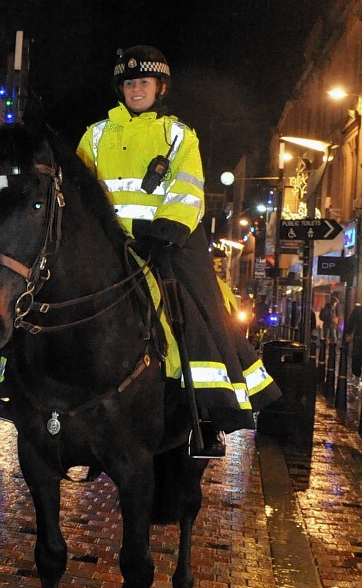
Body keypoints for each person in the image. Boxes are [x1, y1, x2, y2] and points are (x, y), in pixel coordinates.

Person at [76, 44, 280, 454]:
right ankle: (19, 386)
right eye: (129, 82)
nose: (135, 89)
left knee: (196, 310)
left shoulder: (178, 136)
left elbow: (187, 192)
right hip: (106, 242)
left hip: (162, 243)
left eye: (143, 82)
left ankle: (205, 411)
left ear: (160, 88)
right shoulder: (95, 135)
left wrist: (162, 233)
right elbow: (82, 189)